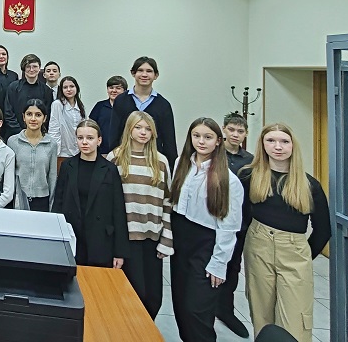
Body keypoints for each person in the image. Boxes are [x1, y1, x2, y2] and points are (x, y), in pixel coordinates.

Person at [239, 124, 331, 342]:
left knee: (295, 319)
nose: (277, 147)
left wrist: (301, 255)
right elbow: (241, 218)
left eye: (284, 142)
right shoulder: (249, 176)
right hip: (258, 247)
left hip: (294, 252)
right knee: (261, 315)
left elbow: (323, 230)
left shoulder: (309, 185)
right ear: (262, 144)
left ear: (293, 146)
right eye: (271, 141)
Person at [169, 117, 244, 342]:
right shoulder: (181, 164)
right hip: (181, 242)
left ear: (218, 141)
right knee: (180, 304)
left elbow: (229, 227)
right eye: (197, 136)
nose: (201, 141)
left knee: (197, 309)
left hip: (206, 245)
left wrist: (219, 263)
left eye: (208, 137)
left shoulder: (229, 180)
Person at [107, 111, 173, 319]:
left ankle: (146, 330)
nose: (143, 132)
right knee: (133, 294)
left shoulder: (161, 161)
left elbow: (168, 201)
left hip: (152, 236)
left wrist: (167, 239)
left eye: (148, 129)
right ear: (129, 130)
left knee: (154, 297)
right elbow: (107, 202)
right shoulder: (116, 158)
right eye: (138, 127)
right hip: (126, 237)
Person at [52, 119, 128, 268]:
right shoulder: (67, 166)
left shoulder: (110, 170)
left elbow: (118, 211)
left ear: (99, 140)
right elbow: (58, 203)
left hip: (100, 239)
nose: (84, 142)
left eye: (90, 138)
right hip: (73, 235)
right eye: (80, 138)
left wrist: (119, 252)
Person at [217, 112, 255, 338]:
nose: (235, 134)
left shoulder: (251, 161)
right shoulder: (213, 153)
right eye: (231, 130)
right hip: (211, 221)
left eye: (240, 131)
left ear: (246, 134)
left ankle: (225, 309)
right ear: (224, 129)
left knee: (232, 267)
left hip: (239, 223)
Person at [106, 57, 177, 168]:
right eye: (140, 70)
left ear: (156, 75)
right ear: (133, 73)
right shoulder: (121, 101)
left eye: (149, 71)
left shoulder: (163, 105)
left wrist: (171, 169)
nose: (144, 74)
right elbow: (114, 134)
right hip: (125, 161)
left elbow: (169, 141)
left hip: (152, 162)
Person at [6, 98, 57, 212]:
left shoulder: (51, 144)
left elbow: (52, 177)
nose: (33, 119)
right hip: (18, 199)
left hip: (42, 199)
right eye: (29, 114)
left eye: (38, 115)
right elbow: (9, 174)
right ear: (24, 117)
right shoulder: (13, 142)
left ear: (44, 118)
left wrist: (51, 205)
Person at [3, 53, 50, 138]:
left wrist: (34, 131)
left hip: (38, 135)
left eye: (34, 66)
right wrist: (20, 132)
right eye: (28, 67)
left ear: (39, 68)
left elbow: (47, 114)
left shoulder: (46, 90)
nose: (31, 70)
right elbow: (8, 112)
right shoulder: (13, 87)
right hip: (15, 134)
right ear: (23, 68)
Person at [50, 76, 87, 158]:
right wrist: (55, 152)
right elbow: (54, 128)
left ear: (77, 88)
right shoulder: (57, 104)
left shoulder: (80, 106)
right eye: (65, 87)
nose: (69, 89)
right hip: (62, 152)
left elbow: (84, 128)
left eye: (72, 86)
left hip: (79, 151)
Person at [90, 75, 128, 151]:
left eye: (118, 88)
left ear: (125, 91)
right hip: (101, 151)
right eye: (111, 88)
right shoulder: (99, 106)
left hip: (123, 151)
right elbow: (91, 127)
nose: (114, 90)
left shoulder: (129, 107)